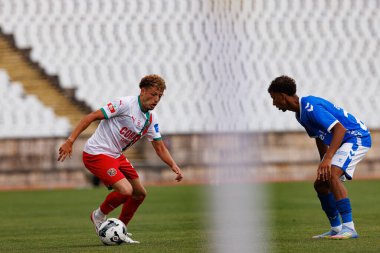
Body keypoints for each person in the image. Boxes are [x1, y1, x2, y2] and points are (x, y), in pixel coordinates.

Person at [57, 74, 183, 243]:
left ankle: (119, 229)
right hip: (97, 153)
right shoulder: (124, 104)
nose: (156, 99)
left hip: (116, 156)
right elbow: (92, 116)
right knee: (125, 191)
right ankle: (98, 215)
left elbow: (159, 147)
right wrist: (70, 141)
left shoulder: (151, 119)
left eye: (159, 96)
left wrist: (173, 165)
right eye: (153, 94)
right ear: (143, 90)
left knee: (139, 194)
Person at [268, 75, 371, 240]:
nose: (273, 103)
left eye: (273, 98)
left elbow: (340, 129)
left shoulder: (310, 107)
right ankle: (337, 229)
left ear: (282, 96)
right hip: (344, 141)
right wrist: (324, 160)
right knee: (321, 185)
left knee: (333, 174)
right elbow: (319, 136)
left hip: (357, 137)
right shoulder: (300, 114)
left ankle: (349, 228)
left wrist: (329, 159)